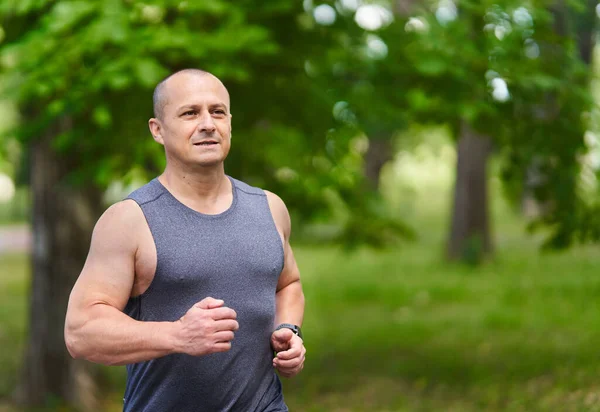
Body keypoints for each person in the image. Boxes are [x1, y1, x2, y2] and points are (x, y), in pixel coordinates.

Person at [64, 69, 306, 411]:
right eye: (190, 113)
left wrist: (288, 331)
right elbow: (81, 332)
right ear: (157, 130)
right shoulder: (129, 220)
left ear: (230, 123)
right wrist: (177, 335)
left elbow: (288, 284)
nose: (208, 123)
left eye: (217, 111)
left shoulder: (270, 208)